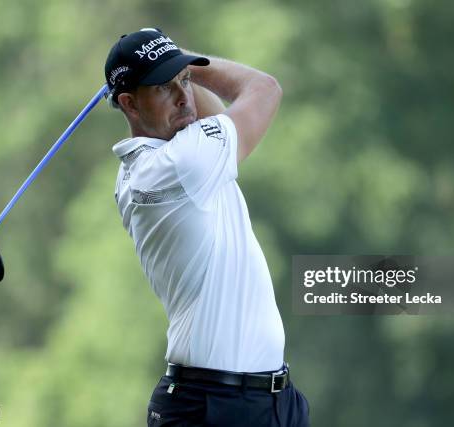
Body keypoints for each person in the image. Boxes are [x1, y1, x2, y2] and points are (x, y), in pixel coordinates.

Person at [105, 28, 310, 426]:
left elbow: (205, 116)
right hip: (214, 405)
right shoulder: (180, 165)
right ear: (129, 104)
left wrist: (170, 63)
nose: (184, 95)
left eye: (185, 80)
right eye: (164, 88)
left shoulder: (161, 160)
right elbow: (263, 88)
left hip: (267, 400)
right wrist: (183, 56)